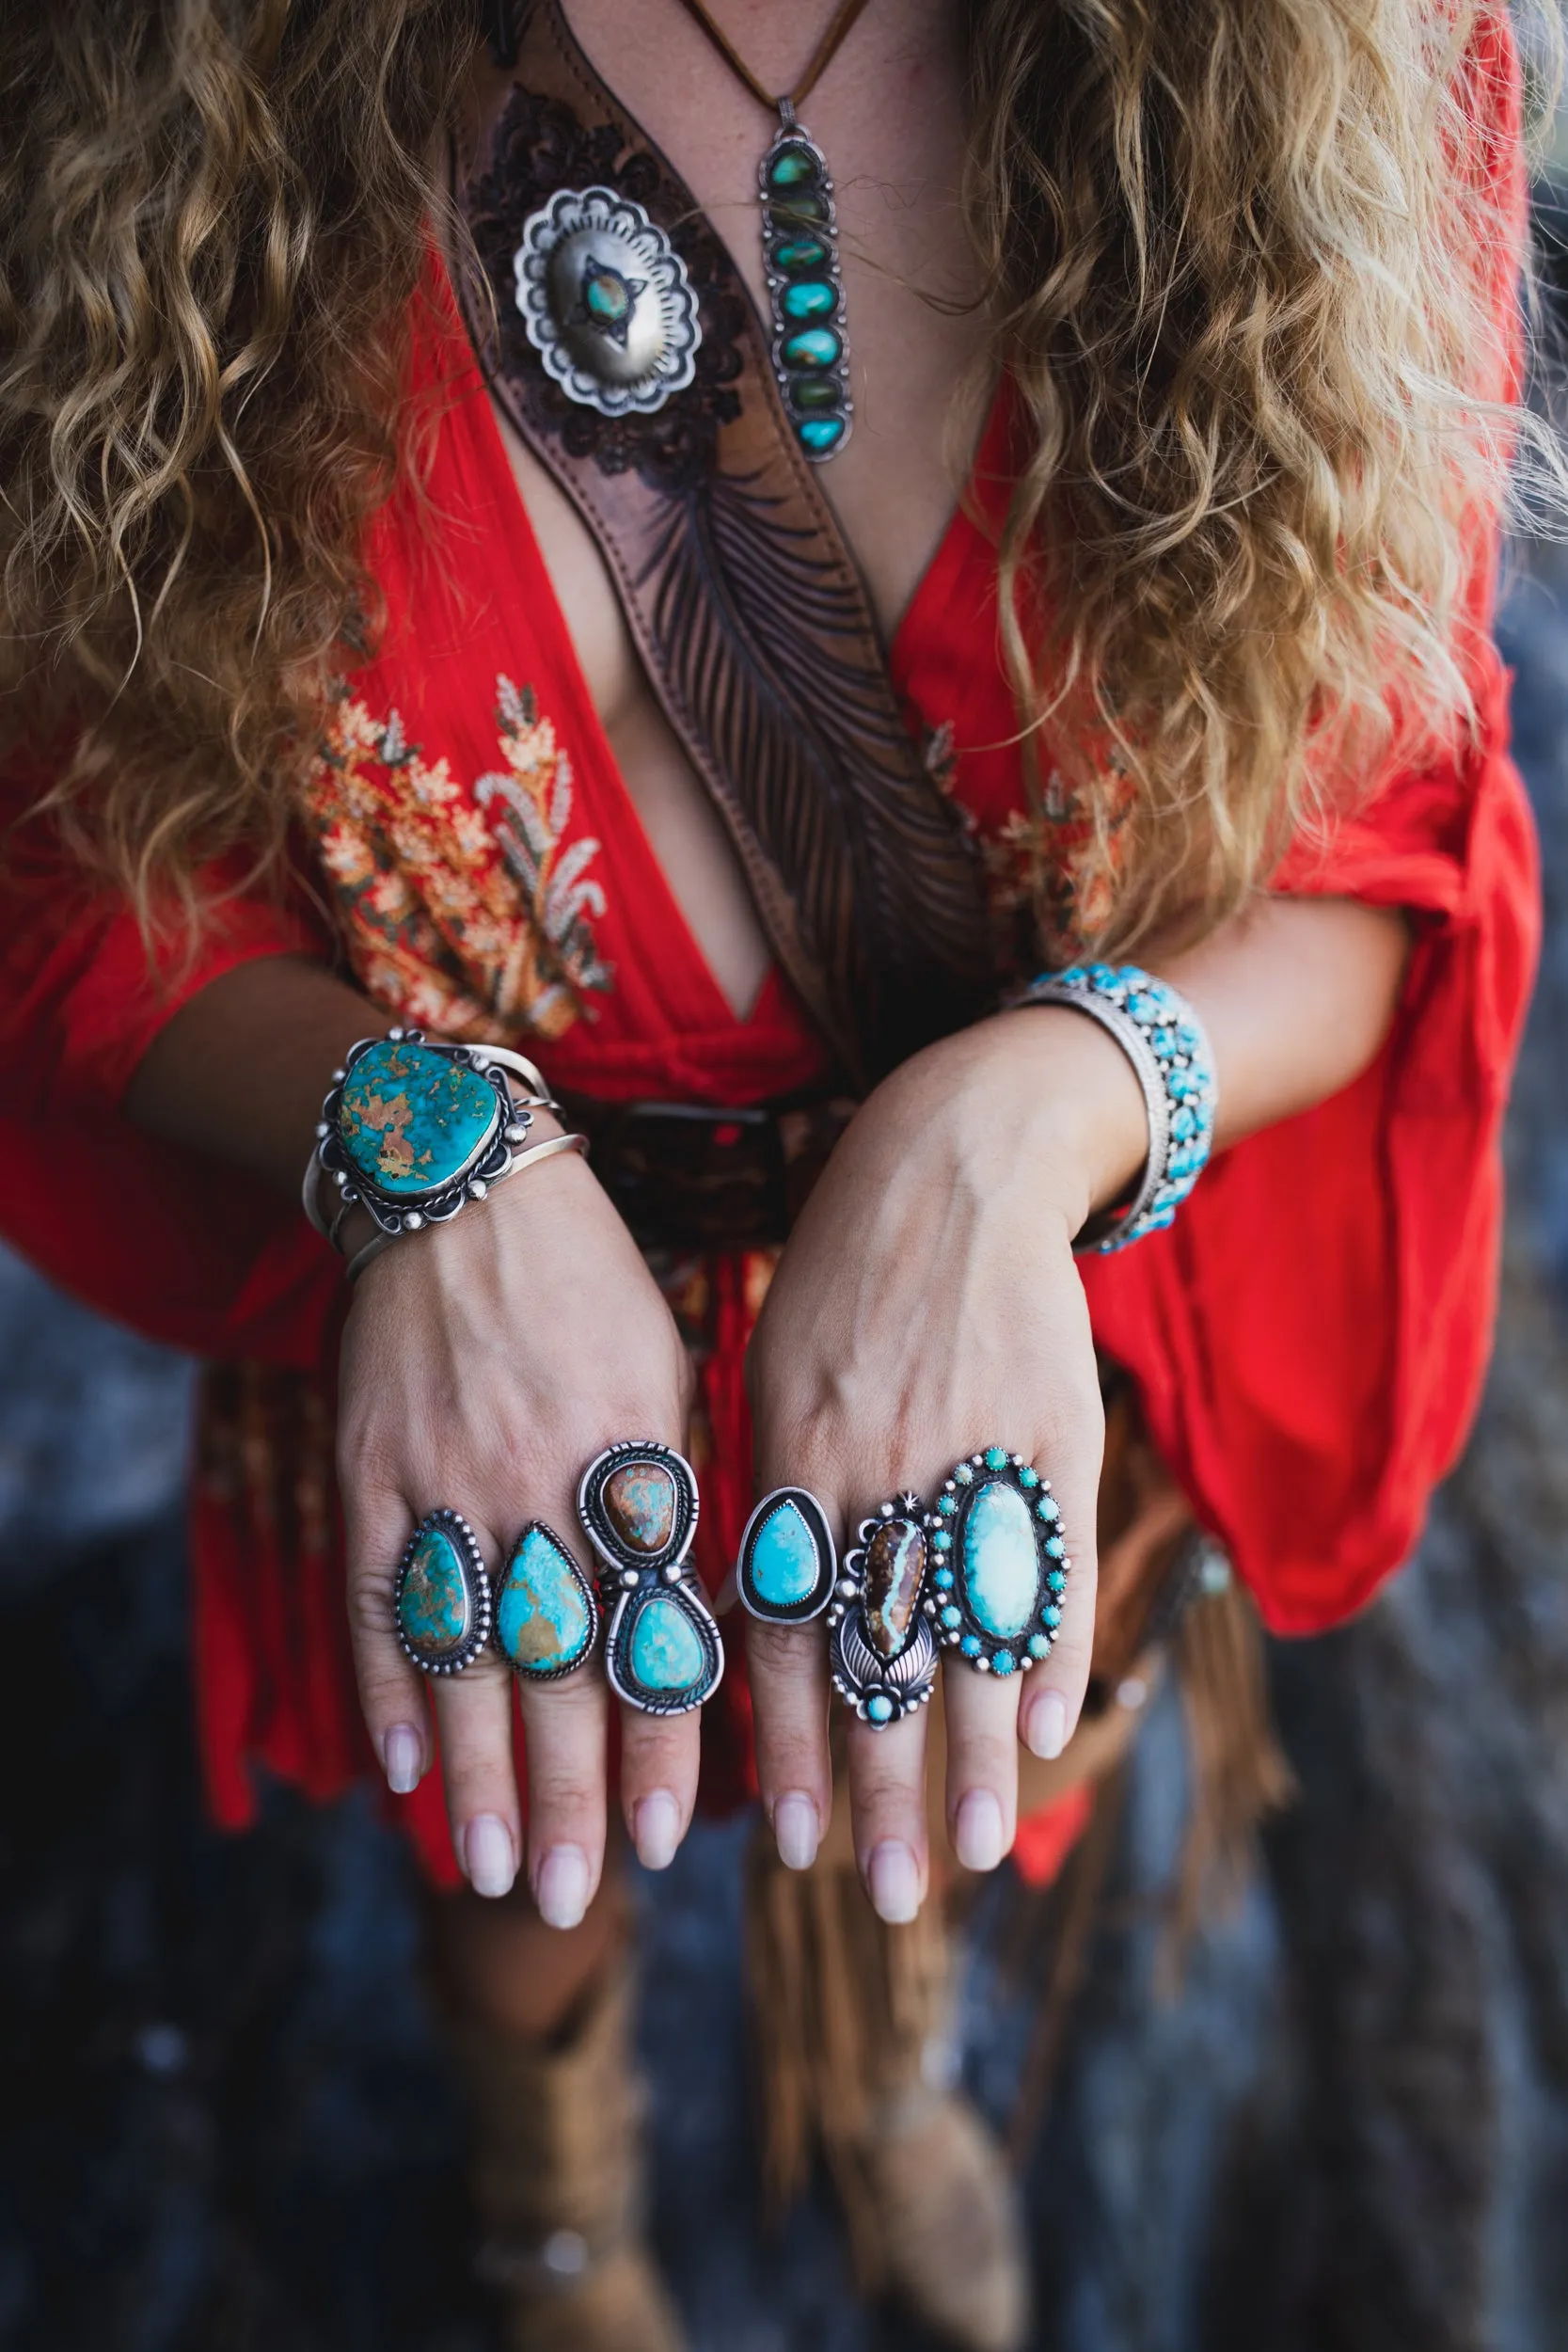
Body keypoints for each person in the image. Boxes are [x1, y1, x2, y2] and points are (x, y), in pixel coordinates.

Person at [0, 3, 1545, 2346]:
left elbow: (1388, 835)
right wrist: (421, 1154)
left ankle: (889, 2064)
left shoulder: (1347, 53)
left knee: (950, 1755)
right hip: (466, 1317)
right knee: (518, 1831)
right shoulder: (131, 72)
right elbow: (68, 866)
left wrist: (1016, 1125)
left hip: (1026, 1280)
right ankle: (560, 2209)